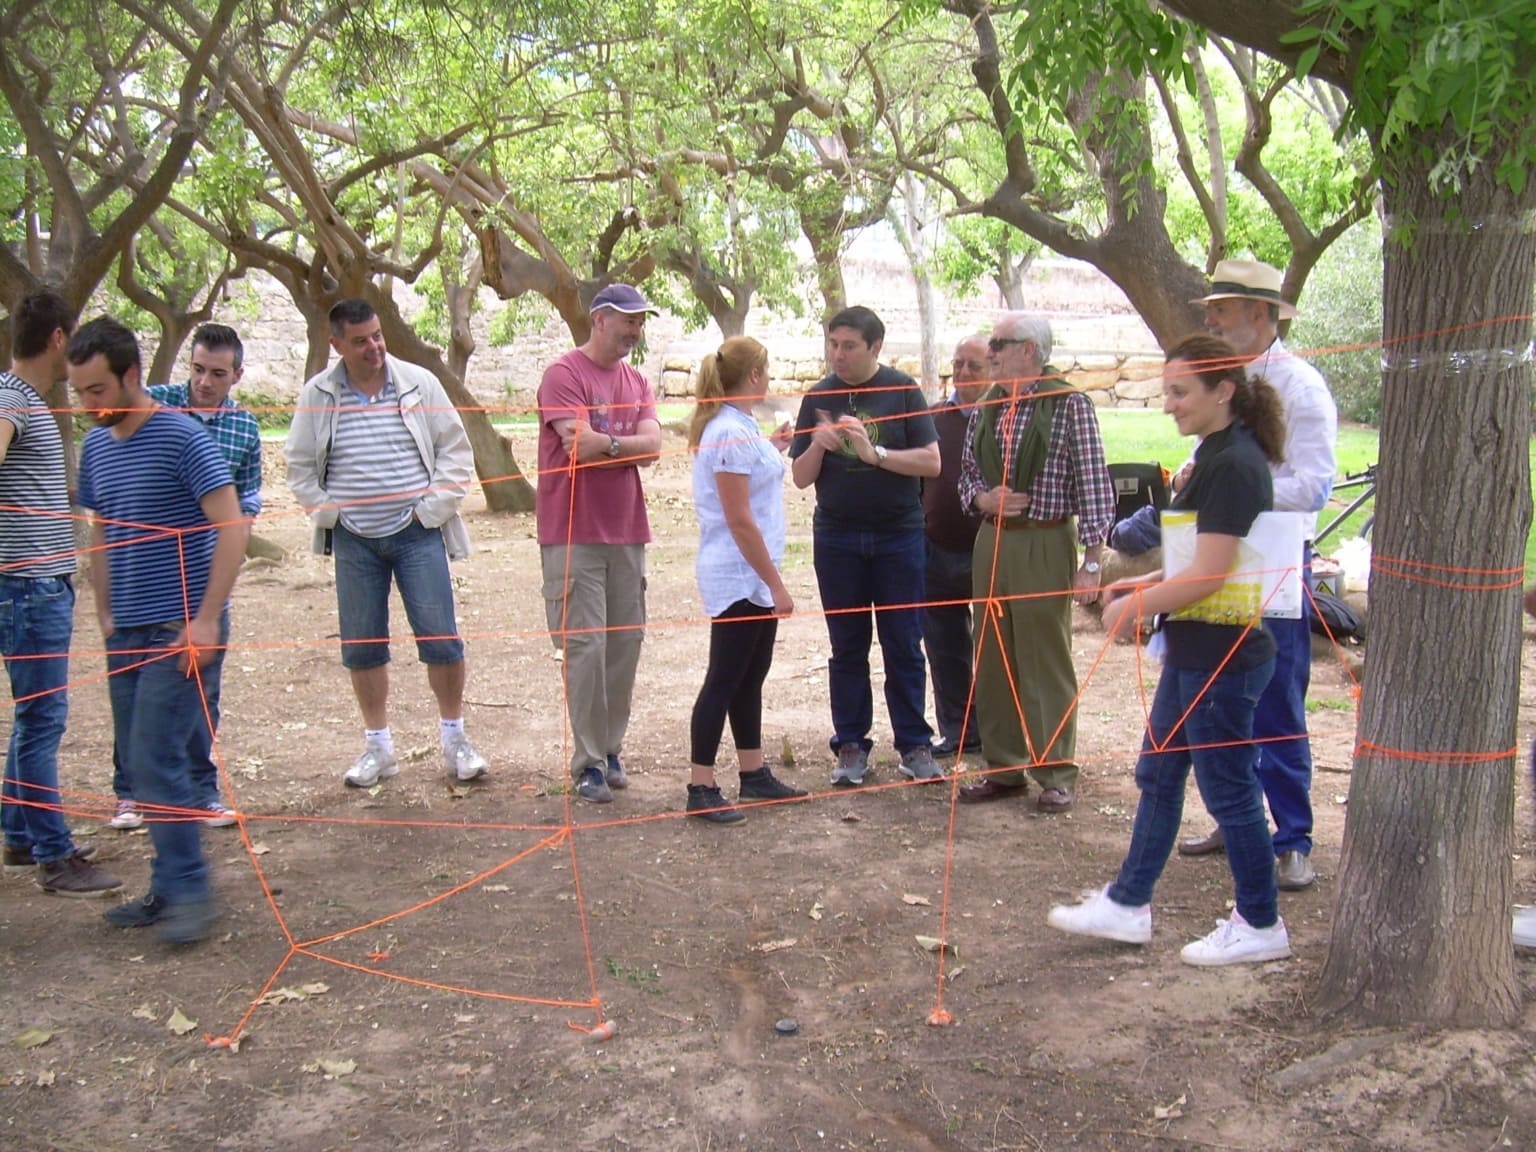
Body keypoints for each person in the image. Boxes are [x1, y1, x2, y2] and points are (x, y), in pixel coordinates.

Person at [1048, 333, 1292, 966]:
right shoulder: (1215, 454)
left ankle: (1260, 923)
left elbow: (1212, 576)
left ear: (1224, 391)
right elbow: (1201, 561)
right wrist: (1146, 582)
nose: (1169, 405)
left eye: (1180, 392)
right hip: (1196, 648)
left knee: (1230, 789)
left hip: (1224, 656)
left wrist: (1137, 606)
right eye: (1167, 391)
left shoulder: (1233, 463)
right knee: (1159, 773)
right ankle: (1128, 905)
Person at [71, 317, 245, 943]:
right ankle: (168, 886)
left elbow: (233, 526)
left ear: (132, 376)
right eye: (78, 392)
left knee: (157, 757)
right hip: (128, 632)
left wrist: (205, 620)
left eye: (96, 390)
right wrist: (105, 611)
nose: (87, 404)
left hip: (180, 630)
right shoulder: (96, 447)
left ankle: (191, 891)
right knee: (140, 765)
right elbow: (101, 529)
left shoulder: (182, 438)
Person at [1175, 260, 1338, 892]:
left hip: (1268, 560)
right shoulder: (1220, 382)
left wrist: (1238, 487)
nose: (1211, 318)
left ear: (1263, 316)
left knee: (1274, 698)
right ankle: (1235, 816)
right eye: (1211, 308)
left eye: (1224, 308)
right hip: (1211, 558)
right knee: (1216, 696)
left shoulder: (1300, 386)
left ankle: (1293, 836)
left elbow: (1315, 485)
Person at [285, 299, 487, 789]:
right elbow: (299, 467)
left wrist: (429, 511)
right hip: (354, 542)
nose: (374, 346)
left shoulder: (420, 382)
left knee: (440, 636)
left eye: (376, 335)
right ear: (336, 345)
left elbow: (455, 452)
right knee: (362, 646)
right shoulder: (318, 394)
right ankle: (378, 748)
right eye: (360, 340)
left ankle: (455, 740)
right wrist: (332, 514)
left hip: (417, 534)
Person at [956, 313, 1115, 813]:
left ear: (1030, 351)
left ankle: (1055, 772)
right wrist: (984, 501)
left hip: (1045, 540)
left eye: (1000, 344)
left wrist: (1092, 560)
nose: (991, 352)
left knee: (1044, 658)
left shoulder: (1069, 404)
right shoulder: (990, 405)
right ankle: (1004, 768)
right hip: (993, 540)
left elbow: (1093, 482)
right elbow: (964, 475)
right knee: (993, 653)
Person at [110, 323, 260, 830]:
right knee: (130, 685)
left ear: (237, 375)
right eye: (197, 369)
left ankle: (201, 791)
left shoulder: (245, 429)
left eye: (218, 373)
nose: (204, 381)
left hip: (204, 577)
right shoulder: (155, 408)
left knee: (202, 687)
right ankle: (130, 794)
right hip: (147, 576)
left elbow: (248, 505)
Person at [0, 292, 122, 897]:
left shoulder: (26, 399)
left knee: (33, 717)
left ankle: (19, 834)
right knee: (43, 718)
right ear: (56, 339)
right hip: (25, 587)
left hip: (36, 585)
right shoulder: (14, 399)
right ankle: (55, 855)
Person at [789, 306, 942, 787]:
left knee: (904, 643)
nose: (838, 354)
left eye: (849, 345)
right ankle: (850, 746)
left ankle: (915, 745)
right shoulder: (818, 396)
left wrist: (875, 455)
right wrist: (819, 445)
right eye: (833, 343)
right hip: (836, 536)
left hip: (899, 535)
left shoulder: (902, 389)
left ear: (875, 346)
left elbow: (932, 463)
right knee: (847, 645)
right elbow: (799, 477)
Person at [537, 284, 663, 804]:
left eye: (639, 322)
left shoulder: (637, 379)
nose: (634, 330)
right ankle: (587, 762)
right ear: (599, 319)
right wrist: (624, 446)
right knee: (585, 647)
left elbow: (654, 446)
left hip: (628, 529)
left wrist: (610, 444)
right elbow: (577, 447)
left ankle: (611, 749)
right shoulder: (564, 374)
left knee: (624, 645)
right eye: (626, 320)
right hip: (573, 533)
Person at [683, 336, 807, 825]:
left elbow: (749, 482)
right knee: (723, 679)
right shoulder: (729, 431)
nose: (770, 379)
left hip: (750, 572)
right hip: (738, 574)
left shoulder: (740, 427)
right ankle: (701, 784)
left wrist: (773, 447)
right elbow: (739, 519)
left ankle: (753, 773)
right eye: (767, 370)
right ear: (755, 375)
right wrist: (775, 583)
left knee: (750, 675)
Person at [921, 334, 991, 760]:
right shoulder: (932, 418)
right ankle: (960, 731)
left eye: (974, 366)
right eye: (958, 363)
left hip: (991, 549)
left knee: (995, 646)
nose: (963, 373)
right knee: (945, 648)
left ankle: (1002, 729)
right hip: (937, 548)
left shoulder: (1003, 419)